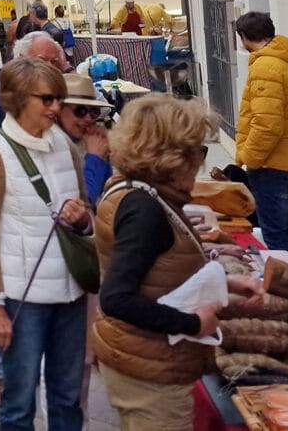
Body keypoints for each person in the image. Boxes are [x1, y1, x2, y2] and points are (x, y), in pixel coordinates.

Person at [93, 95, 262, 431]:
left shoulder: (135, 191)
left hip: (141, 361)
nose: (201, 160)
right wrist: (192, 323)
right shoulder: (145, 210)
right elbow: (116, 298)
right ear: (174, 156)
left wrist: (224, 283)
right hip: (151, 371)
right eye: (198, 150)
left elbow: (156, 272)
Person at [0, 57, 92, 431]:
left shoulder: (65, 147)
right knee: (19, 403)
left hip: (71, 295)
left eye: (59, 98)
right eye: (48, 99)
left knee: (67, 399)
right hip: (22, 300)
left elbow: (88, 211)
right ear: (19, 99)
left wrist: (82, 216)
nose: (57, 108)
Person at [233, 10, 288, 256]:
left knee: (275, 233)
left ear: (244, 37)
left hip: (270, 163)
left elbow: (267, 124)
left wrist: (249, 156)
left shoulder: (266, 66)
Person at [0, 32, 69, 199]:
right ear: (20, 59)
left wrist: (68, 69)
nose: (49, 66)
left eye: (54, 61)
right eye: (42, 60)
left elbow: (101, 108)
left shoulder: (62, 92)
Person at [55, 73, 113, 206]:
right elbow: (82, 203)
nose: (88, 118)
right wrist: (95, 157)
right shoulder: (53, 144)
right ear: (59, 111)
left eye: (94, 112)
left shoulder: (89, 139)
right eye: (80, 111)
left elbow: (108, 191)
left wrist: (106, 154)